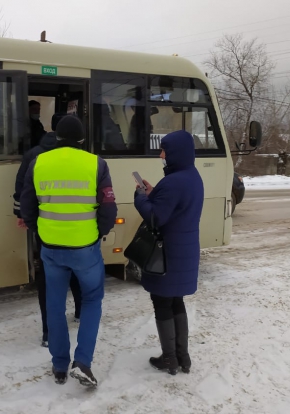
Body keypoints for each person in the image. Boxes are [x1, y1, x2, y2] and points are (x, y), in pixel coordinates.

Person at [20, 115, 117, 387]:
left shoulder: (39, 162)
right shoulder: (96, 163)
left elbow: (27, 206)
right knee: (91, 300)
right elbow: (109, 208)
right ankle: (83, 362)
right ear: (82, 139)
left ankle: (59, 365)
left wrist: (40, 232)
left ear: (57, 137)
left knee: (54, 304)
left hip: (51, 247)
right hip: (85, 247)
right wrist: (99, 233)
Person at [133, 130, 204, 375]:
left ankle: (170, 358)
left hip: (168, 254)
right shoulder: (192, 176)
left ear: (176, 152)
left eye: (164, 150)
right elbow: (172, 205)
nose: (161, 155)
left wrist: (140, 197)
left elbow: (155, 217)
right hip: (184, 251)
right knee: (176, 301)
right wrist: (155, 193)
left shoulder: (173, 181)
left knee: (162, 302)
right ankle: (183, 357)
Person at [13, 113, 82, 347]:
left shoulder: (34, 155)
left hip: (47, 231)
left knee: (49, 280)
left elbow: (22, 190)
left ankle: (48, 332)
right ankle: (81, 311)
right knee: (77, 271)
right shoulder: (85, 159)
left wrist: (28, 220)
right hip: (78, 231)